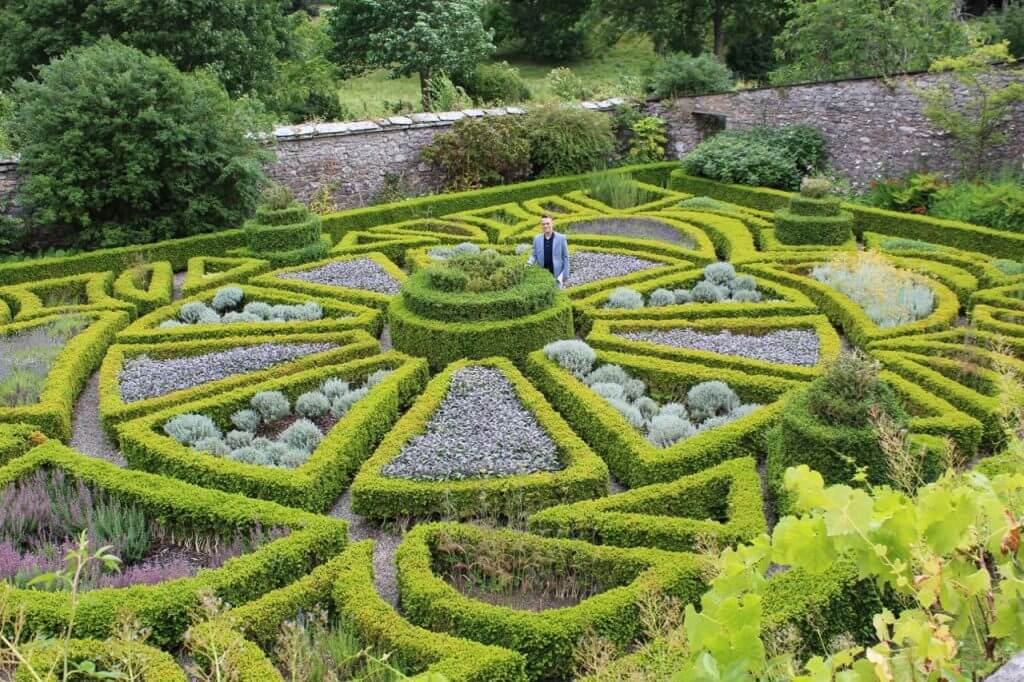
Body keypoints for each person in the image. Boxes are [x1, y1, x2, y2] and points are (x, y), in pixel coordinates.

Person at [527, 215, 570, 288]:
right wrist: (529, 263)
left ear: (552, 224)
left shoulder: (561, 238)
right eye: (543, 224)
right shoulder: (537, 239)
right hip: (542, 276)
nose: (545, 226)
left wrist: (566, 274)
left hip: (557, 276)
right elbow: (534, 255)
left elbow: (565, 257)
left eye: (548, 223)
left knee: (557, 295)